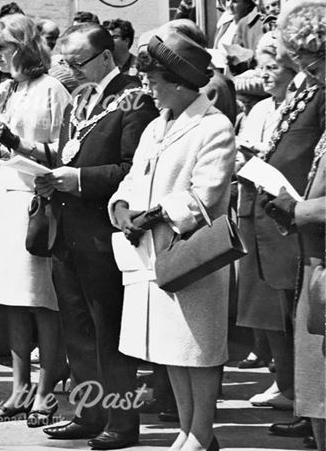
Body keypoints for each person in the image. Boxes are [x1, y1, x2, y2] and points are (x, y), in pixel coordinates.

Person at [109, 27, 237, 451]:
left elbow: (208, 193)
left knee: (197, 350)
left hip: (193, 257)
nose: (149, 90)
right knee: (171, 350)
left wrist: (160, 212)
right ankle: (186, 429)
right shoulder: (155, 126)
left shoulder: (214, 127)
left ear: (180, 83)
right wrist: (122, 208)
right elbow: (131, 178)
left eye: (154, 82)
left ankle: (202, 433)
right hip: (150, 254)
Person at [37, 24, 158, 449]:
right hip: (68, 230)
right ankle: (89, 413)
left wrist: (81, 180)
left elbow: (133, 170)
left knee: (109, 332)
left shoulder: (134, 98)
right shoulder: (80, 99)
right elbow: (72, 152)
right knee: (78, 330)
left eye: (77, 62)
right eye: (64, 63)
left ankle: (122, 423)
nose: (69, 71)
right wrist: (51, 176)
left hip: (103, 233)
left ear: (106, 57)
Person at [0, 13, 71, 423]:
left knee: (41, 301)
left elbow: (63, 152)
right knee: (11, 300)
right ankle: (18, 389)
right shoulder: (6, 89)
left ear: (25, 47)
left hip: (33, 202)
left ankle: (46, 391)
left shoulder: (52, 89)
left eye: (3, 47)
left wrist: (17, 143)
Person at [259, 0, 326, 451]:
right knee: (317, 387)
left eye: (313, 61)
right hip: (315, 255)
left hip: (320, 252)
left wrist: (297, 210)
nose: (309, 72)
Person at [233, 32, 301, 415]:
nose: (265, 74)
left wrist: (260, 157)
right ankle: (284, 381)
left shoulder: (300, 108)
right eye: (262, 66)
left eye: (273, 67)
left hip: (281, 216)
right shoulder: (260, 110)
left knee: (288, 308)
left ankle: (297, 388)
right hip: (252, 210)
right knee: (263, 309)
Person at [212, 0, 265, 71]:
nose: (230, 4)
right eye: (228, 0)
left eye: (235, 1)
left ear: (246, 3)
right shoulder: (224, 26)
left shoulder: (250, 27)